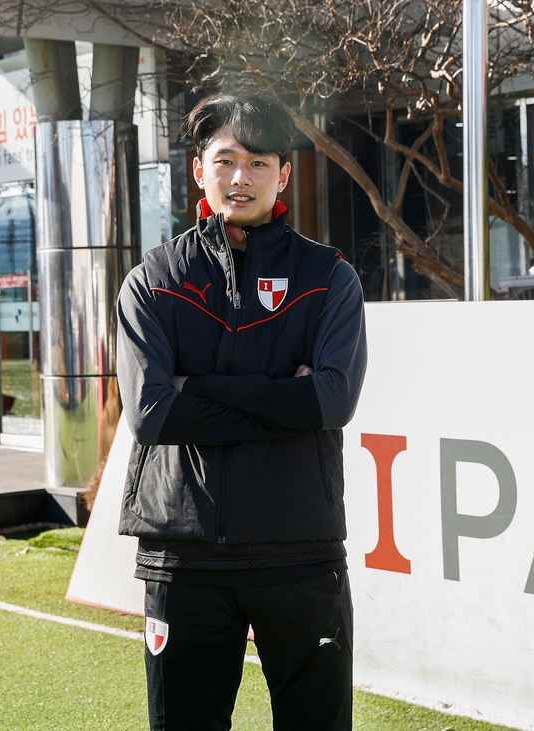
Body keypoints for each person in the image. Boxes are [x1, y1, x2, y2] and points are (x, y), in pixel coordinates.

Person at [115, 91, 366, 731]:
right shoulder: (153, 280)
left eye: (258, 163)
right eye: (225, 160)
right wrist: (286, 397)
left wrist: (194, 384)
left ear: (284, 173)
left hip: (299, 552)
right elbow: (151, 415)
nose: (240, 178)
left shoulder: (329, 278)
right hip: (184, 555)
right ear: (198, 169)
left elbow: (331, 400)